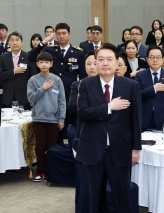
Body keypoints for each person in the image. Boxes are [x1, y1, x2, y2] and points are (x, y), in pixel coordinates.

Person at [76, 43, 142, 213]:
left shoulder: (130, 85)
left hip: (120, 150)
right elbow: (82, 113)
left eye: (109, 59)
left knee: (122, 199)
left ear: (117, 62)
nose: (105, 63)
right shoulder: (85, 84)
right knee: (96, 199)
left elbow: (136, 120)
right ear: (95, 63)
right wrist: (109, 107)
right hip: (94, 150)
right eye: (101, 60)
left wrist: (136, 148)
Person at [29, 23, 86, 144]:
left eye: (64, 33)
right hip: (52, 98)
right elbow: (31, 56)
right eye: (58, 34)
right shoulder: (50, 50)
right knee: (56, 136)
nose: (61, 36)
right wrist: (43, 42)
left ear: (69, 34)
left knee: (72, 131)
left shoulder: (78, 53)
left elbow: (82, 77)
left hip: (71, 96)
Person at [26, 52, 66, 182]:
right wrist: (43, 88)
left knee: (52, 146)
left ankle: (51, 171)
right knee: (40, 146)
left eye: (46, 62)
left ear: (51, 64)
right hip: (39, 118)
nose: (44, 64)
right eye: (41, 62)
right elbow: (31, 98)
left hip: (53, 119)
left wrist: (61, 118)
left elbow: (62, 101)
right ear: (37, 64)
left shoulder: (57, 80)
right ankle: (40, 171)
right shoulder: (33, 80)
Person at [68, 52, 98, 213]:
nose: (92, 67)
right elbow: (72, 108)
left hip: (101, 134)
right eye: (88, 64)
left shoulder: (106, 84)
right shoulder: (77, 85)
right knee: (83, 177)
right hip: (82, 133)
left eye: (95, 63)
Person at [137, 46, 164, 129]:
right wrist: (153, 89)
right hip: (144, 118)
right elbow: (137, 95)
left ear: (162, 59)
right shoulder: (140, 75)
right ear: (147, 59)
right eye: (152, 57)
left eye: (158, 57)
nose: (155, 60)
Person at [0, 31, 32, 109]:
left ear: (22, 42)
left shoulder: (28, 57)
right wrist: (13, 71)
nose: (15, 42)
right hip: (8, 98)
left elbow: (33, 77)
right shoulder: (3, 57)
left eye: (17, 40)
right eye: (12, 40)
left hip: (24, 97)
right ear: (8, 43)